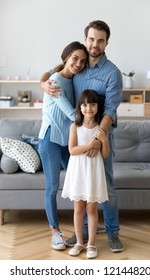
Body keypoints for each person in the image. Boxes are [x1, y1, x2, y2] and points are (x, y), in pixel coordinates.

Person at [40, 20, 124, 253]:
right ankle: (84, 235)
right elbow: (52, 70)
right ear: (85, 38)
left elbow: (110, 110)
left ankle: (113, 232)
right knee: (82, 185)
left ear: (107, 42)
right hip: (78, 135)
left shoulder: (112, 73)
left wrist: (98, 139)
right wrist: (43, 83)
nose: (95, 44)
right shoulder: (79, 64)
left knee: (107, 186)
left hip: (101, 135)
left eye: (100, 40)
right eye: (91, 39)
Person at [38, 41, 91, 251]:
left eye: (82, 61)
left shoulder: (74, 78)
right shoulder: (55, 80)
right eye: (75, 58)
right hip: (50, 139)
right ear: (66, 57)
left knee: (79, 184)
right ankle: (55, 232)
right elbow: (70, 112)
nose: (78, 64)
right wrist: (94, 124)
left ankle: (86, 226)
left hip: (68, 141)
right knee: (52, 187)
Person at [62, 89, 110, 258]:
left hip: (93, 171)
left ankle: (91, 244)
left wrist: (103, 140)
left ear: (98, 106)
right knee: (78, 207)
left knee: (91, 207)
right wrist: (91, 145)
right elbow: (72, 150)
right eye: (84, 104)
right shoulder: (75, 126)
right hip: (78, 170)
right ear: (79, 107)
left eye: (92, 104)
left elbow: (105, 154)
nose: (88, 108)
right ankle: (78, 242)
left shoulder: (101, 128)